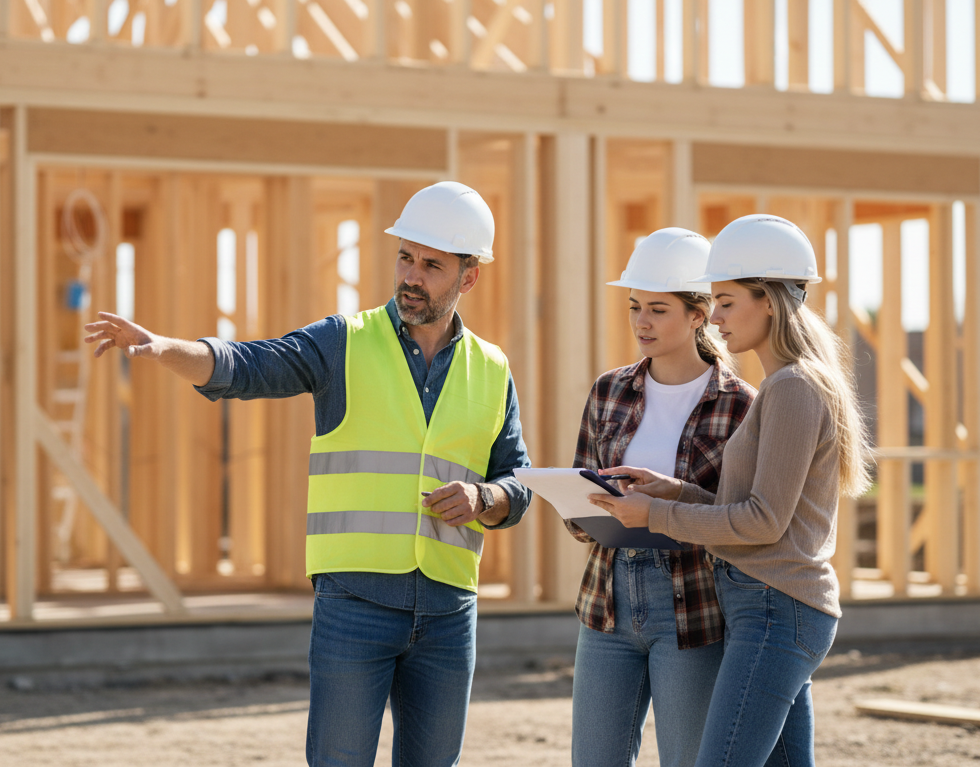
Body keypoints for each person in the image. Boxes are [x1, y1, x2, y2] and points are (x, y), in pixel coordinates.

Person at [83, 181, 533, 767]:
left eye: (432, 265)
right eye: (405, 257)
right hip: (356, 605)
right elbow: (252, 365)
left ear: (468, 278)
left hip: (449, 611)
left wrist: (485, 495)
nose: (411, 276)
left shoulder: (492, 368)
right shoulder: (344, 343)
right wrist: (167, 347)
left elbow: (517, 479)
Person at [589, 214, 870, 767]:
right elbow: (743, 509)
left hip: (775, 607)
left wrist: (657, 517)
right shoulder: (787, 384)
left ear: (768, 300)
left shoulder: (792, 387)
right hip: (769, 606)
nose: (713, 319)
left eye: (726, 302)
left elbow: (762, 523)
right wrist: (672, 491)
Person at [567, 229, 755, 767]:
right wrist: (587, 510)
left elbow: (739, 516)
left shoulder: (741, 405)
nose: (641, 322)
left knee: (689, 758)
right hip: (606, 602)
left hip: (693, 603)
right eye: (634, 307)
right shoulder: (609, 390)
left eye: (657, 309)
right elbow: (581, 496)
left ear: (699, 314)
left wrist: (666, 507)